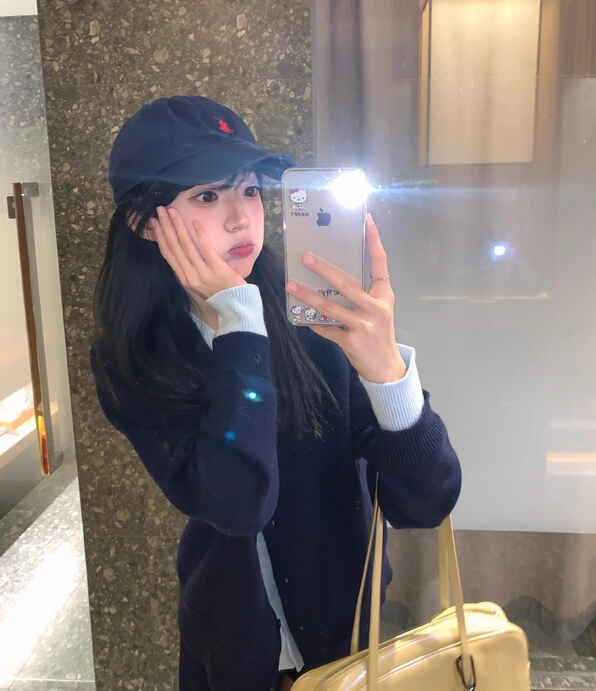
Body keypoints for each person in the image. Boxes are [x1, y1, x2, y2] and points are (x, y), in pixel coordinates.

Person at [90, 95, 462, 691]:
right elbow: (237, 505)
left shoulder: (312, 320)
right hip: (230, 639)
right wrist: (240, 323)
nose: (242, 218)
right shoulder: (136, 356)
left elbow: (426, 502)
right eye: (207, 196)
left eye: (248, 190)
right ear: (144, 222)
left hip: (346, 631)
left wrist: (387, 371)